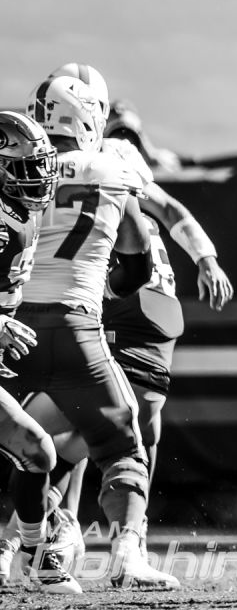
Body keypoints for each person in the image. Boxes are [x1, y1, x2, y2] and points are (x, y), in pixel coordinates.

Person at [0, 66, 235, 574]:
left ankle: (22, 546)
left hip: (9, 328)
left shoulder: (8, 164)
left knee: (22, 444)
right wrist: (117, 287)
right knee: (125, 441)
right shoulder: (112, 169)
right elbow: (138, 256)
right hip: (77, 326)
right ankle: (127, 552)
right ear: (91, 119)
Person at [0, 110, 78, 593]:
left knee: (38, 451)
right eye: (25, 169)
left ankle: (33, 555)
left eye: (41, 166)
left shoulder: (20, 214)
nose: (39, 179)